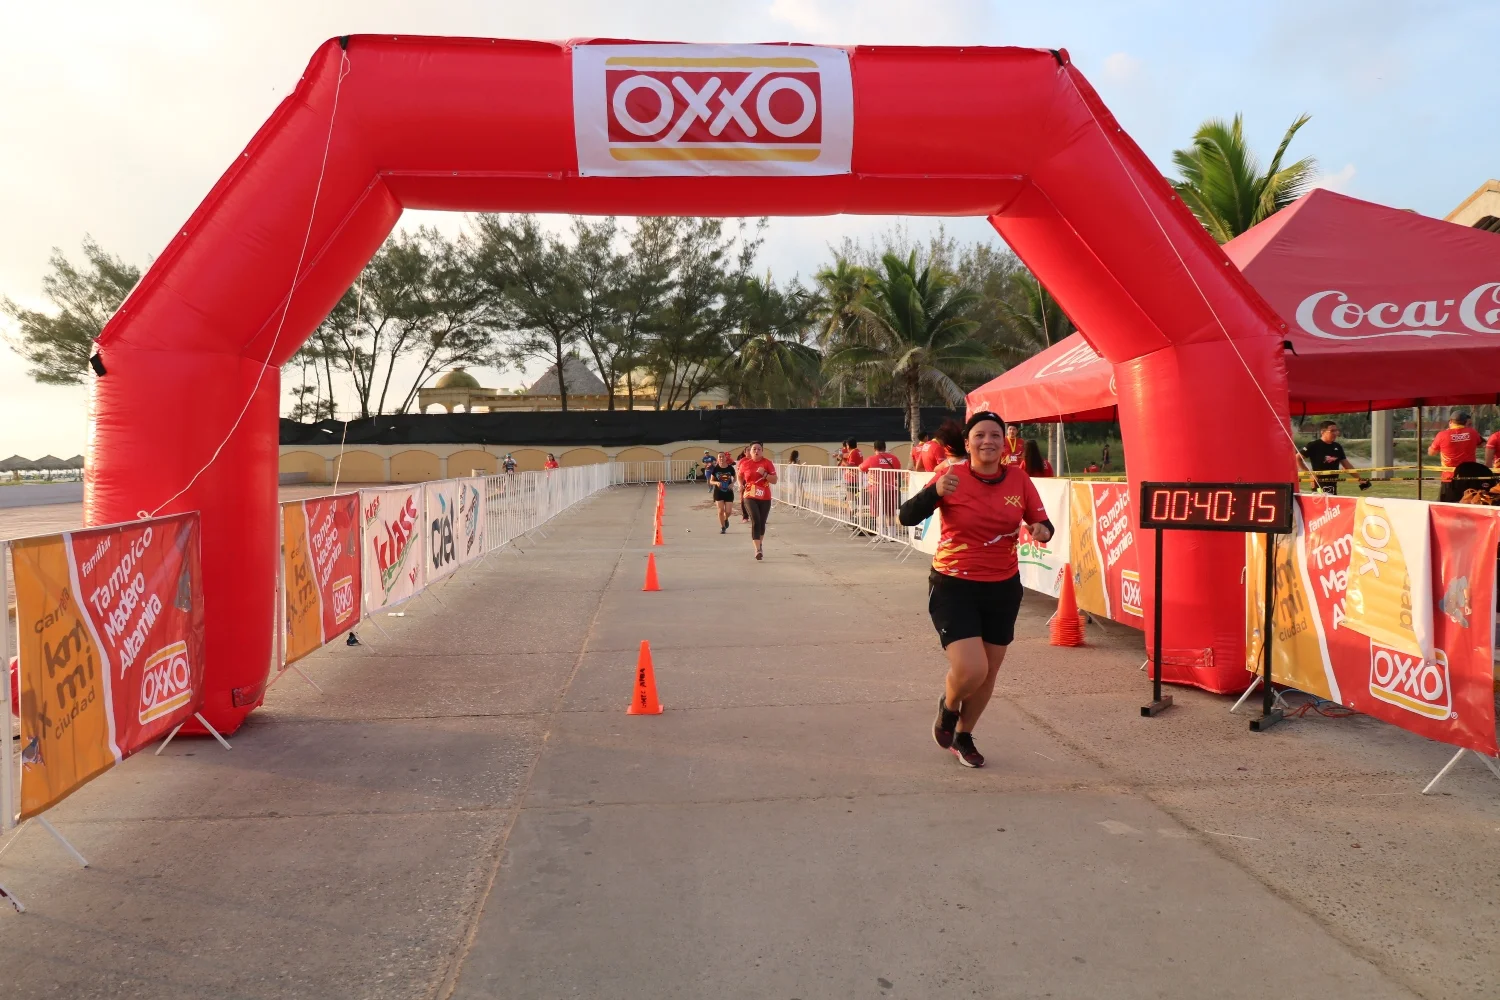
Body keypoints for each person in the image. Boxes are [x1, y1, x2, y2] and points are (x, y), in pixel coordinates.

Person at [899, 412, 1053, 768]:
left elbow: (1043, 523)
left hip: (1003, 587)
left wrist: (1042, 531)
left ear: (1005, 442)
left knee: (989, 673)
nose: (988, 441)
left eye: (995, 435)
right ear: (967, 444)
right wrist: (935, 492)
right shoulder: (950, 475)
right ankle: (949, 705)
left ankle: (963, 735)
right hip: (954, 584)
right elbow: (906, 516)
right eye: (980, 435)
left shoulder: (1018, 479)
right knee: (972, 669)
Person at [1296, 421, 1367, 494]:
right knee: (1322, 500)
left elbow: (1347, 465)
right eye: (1332, 431)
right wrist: (1310, 474)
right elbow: (1297, 458)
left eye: (1336, 431)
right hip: (1319, 483)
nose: (1335, 433)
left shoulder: (1337, 446)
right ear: (1322, 432)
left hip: (1333, 483)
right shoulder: (1313, 445)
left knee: (1332, 500)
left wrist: (1360, 479)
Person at [737, 441, 777, 560]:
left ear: (762, 451)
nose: (756, 451)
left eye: (759, 449)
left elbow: (774, 480)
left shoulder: (767, 463)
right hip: (749, 495)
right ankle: (758, 549)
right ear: (749, 451)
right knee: (756, 519)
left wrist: (764, 474)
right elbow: (739, 475)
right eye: (754, 449)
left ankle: (759, 544)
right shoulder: (745, 463)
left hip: (764, 496)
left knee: (762, 522)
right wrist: (740, 484)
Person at [860, 439, 903, 528]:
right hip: (891, 489)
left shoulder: (871, 459)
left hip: (876, 489)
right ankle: (891, 533)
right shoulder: (894, 458)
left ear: (874, 448)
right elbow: (898, 469)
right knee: (891, 513)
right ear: (885, 447)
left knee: (878, 513)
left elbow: (861, 468)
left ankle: (880, 532)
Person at [1429, 410, 1479, 482]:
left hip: (1449, 477)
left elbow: (1431, 453)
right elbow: (1482, 444)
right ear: (1465, 422)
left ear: (1450, 422)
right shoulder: (1473, 432)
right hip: (1469, 476)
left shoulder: (1442, 435)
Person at [706, 452, 738, 533]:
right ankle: (723, 527)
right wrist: (716, 482)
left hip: (728, 491)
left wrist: (732, 483)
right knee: (720, 510)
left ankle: (726, 518)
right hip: (718, 492)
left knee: (728, 511)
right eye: (719, 457)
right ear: (717, 458)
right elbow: (711, 481)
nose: (721, 458)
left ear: (725, 458)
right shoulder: (715, 469)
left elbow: (735, 478)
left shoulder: (730, 468)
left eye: (722, 457)